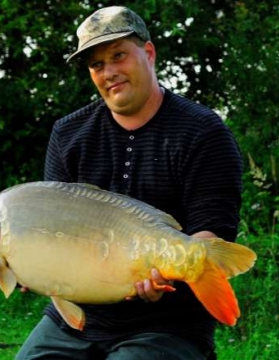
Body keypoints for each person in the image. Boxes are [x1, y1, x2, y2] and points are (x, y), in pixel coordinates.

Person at [15, 5, 243, 360]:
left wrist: (169, 271)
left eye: (118, 55)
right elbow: (52, 226)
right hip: (74, 321)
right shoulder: (68, 133)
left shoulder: (204, 132)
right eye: (96, 65)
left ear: (148, 53)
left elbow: (212, 232)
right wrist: (25, 262)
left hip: (168, 324)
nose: (109, 73)